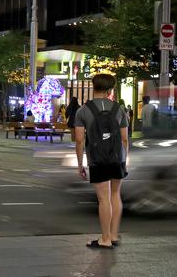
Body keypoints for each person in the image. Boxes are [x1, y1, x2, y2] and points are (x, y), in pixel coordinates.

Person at [74, 74, 129, 249]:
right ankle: (113, 235)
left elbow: (80, 140)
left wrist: (80, 163)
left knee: (103, 199)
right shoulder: (119, 109)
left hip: (97, 159)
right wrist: (123, 159)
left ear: (93, 87)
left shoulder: (83, 110)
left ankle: (104, 239)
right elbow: (125, 139)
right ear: (110, 90)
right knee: (115, 195)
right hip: (117, 158)